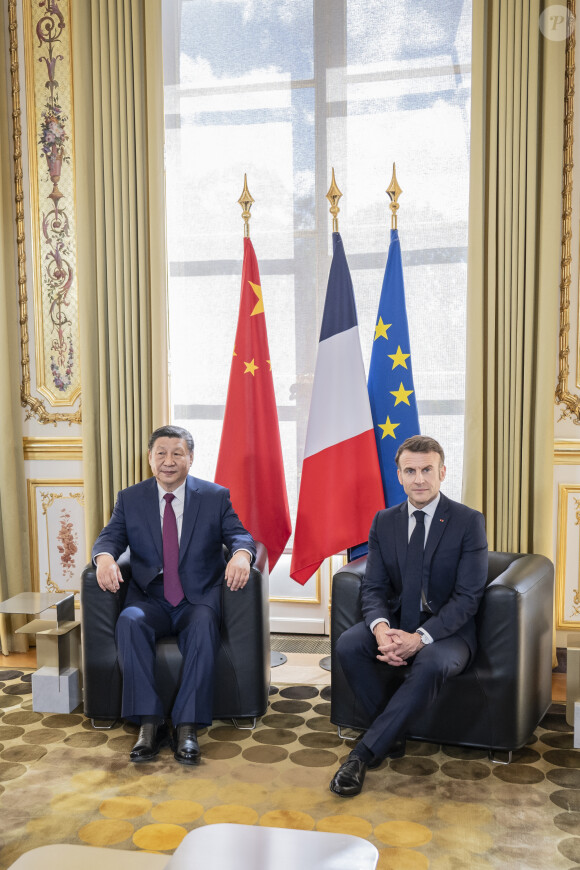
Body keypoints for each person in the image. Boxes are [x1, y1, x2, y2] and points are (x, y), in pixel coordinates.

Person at [329, 435, 488, 797]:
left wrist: (421, 638)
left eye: (427, 470)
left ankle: (362, 754)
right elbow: (373, 588)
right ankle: (393, 734)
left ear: (442, 472)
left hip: (449, 630)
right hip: (399, 620)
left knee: (430, 664)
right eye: (410, 471)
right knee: (349, 644)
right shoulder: (384, 521)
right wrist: (382, 629)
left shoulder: (467, 521)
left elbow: (468, 597)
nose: (419, 479)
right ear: (399, 476)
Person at [93, 425, 256, 766]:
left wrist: (242, 555)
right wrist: (105, 558)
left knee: (202, 627)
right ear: (150, 458)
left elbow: (239, 535)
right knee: (129, 621)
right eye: (161, 453)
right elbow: (110, 538)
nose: (169, 461)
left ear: (191, 458)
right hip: (149, 598)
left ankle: (186, 726)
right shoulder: (131, 498)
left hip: (195, 599)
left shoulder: (214, 496)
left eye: (177, 453)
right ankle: (149, 724)